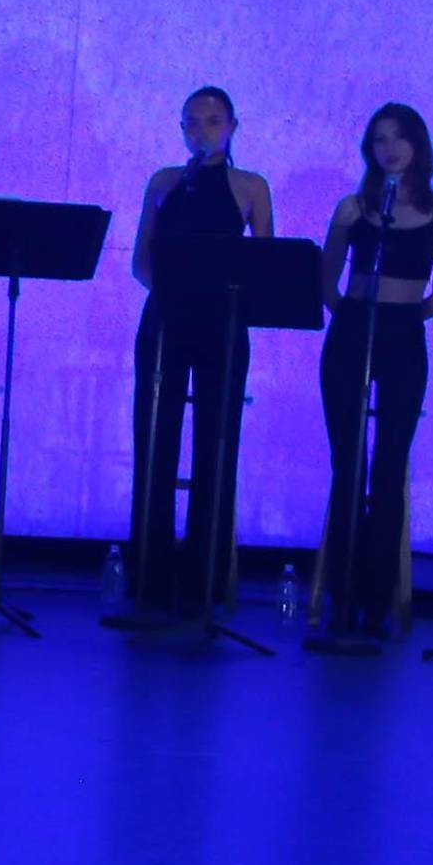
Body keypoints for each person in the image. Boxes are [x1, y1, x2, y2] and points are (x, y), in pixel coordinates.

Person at [121, 85, 273, 616]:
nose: (203, 130)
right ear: (182, 129)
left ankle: (203, 579)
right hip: (166, 318)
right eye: (193, 122)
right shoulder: (165, 181)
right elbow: (141, 259)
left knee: (216, 442)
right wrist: (171, 296)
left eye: (213, 120)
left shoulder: (250, 185)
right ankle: (149, 576)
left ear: (232, 126)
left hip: (223, 325)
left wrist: (221, 301)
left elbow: (263, 264)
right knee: (155, 440)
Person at [316, 102, 433, 635]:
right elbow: (327, 278)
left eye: (399, 137)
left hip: (404, 334)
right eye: (380, 139)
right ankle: (342, 595)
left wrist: (402, 318)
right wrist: (353, 313)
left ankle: (377, 601)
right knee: (348, 463)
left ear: (418, 145)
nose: (390, 148)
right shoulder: (354, 208)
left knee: (390, 463)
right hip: (353, 329)